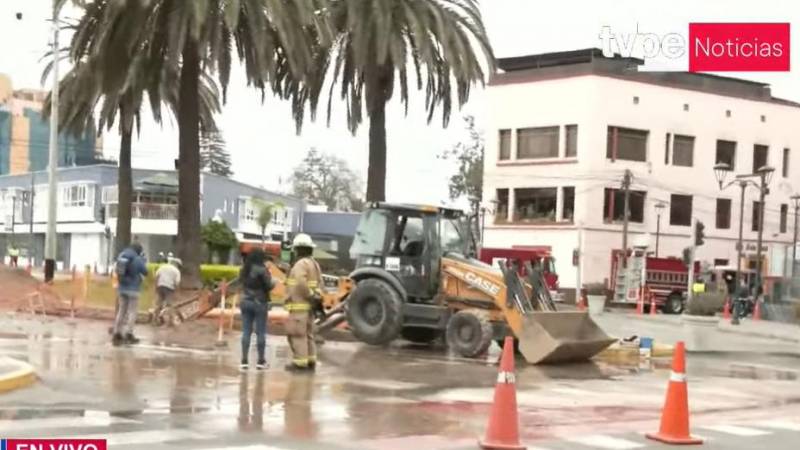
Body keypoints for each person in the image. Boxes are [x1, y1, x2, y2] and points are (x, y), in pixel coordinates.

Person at [285, 233, 322, 372]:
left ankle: (300, 364)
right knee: (308, 335)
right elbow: (320, 284)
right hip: (309, 308)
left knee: (297, 335)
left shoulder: (301, 264)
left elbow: (300, 282)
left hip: (299, 307)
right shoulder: (314, 264)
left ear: (298, 249)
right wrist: (315, 297)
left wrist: (309, 294)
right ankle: (310, 361)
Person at [239, 248, 272, 370]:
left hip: (245, 302)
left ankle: (244, 361)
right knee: (260, 332)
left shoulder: (244, 270)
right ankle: (260, 361)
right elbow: (268, 285)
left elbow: (240, 283)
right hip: (260, 303)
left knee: (246, 331)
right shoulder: (263, 270)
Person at [113, 242, 148, 346]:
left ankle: (117, 332)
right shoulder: (137, 259)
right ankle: (129, 333)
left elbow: (116, 270)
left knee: (121, 311)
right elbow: (145, 271)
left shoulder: (122, 255)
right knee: (132, 312)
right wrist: (143, 260)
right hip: (133, 289)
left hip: (122, 288)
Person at [154, 257, 182, 323]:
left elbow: (156, 277)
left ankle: (155, 319)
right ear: (177, 265)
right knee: (170, 304)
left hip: (160, 286)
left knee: (159, 304)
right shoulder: (176, 271)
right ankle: (171, 321)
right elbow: (177, 283)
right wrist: (177, 293)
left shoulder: (162, 267)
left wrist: (155, 288)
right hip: (169, 288)